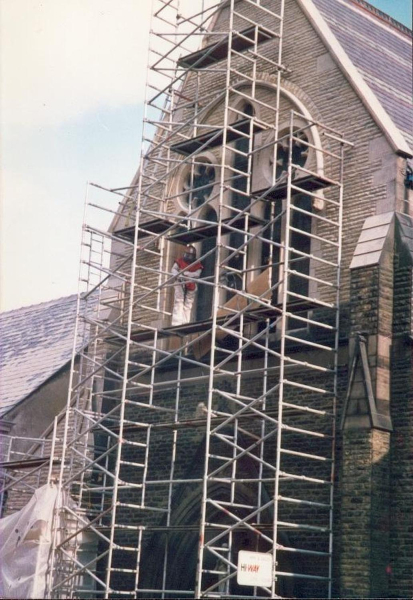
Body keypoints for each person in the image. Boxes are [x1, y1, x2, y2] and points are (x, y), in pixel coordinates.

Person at [171, 245, 203, 326]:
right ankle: (176, 322)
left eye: (190, 256)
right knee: (179, 300)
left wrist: (188, 274)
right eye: (187, 255)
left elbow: (197, 274)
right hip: (180, 282)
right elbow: (173, 269)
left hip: (191, 283)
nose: (188, 257)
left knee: (188, 303)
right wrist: (178, 275)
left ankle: (185, 322)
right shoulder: (180, 261)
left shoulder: (197, 263)